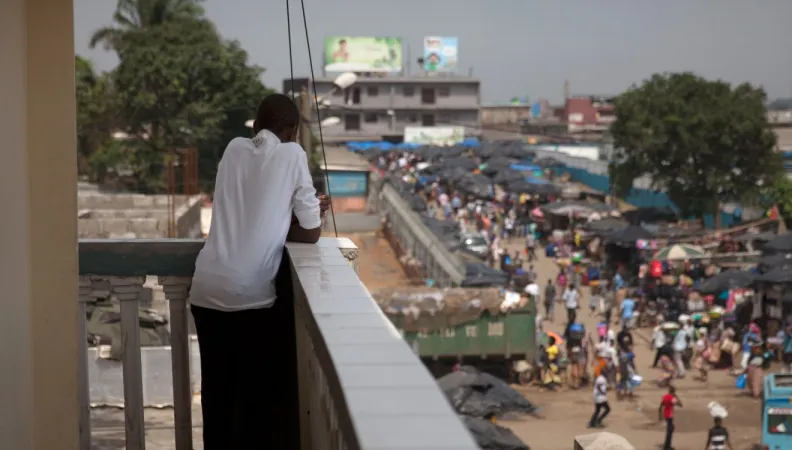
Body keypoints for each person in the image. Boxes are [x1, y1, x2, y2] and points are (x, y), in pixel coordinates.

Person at [189, 94, 329, 449]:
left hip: (206, 289)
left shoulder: (233, 149)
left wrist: (283, 216)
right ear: (292, 130)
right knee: (254, 403)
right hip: (250, 295)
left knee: (217, 394)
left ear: (256, 124)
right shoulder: (293, 153)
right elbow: (311, 234)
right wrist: (302, 215)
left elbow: (251, 207)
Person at [658, 385, 682, 450]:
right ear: (673, 391)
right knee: (670, 431)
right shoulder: (672, 398)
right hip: (670, 416)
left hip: (666, 415)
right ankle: (667, 446)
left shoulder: (665, 397)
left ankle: (667, 445)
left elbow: (660, 406)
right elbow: (680, 404)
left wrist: (660, 415)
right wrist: (676, 397)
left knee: (670, 430)